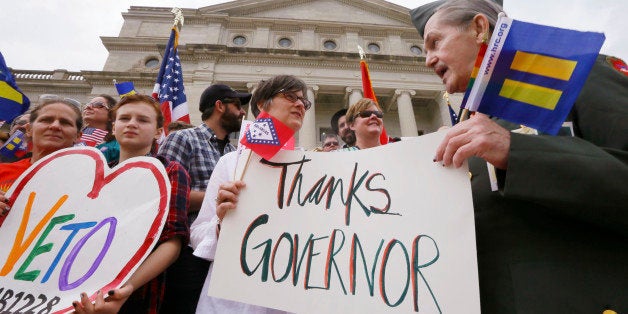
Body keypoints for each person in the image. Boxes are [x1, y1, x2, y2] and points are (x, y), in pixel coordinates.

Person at [411, 0, 628, 313]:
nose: (428, 60)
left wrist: (518, 152)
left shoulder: (577, 74)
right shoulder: (469, 126)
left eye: (435, 42)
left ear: (478, 28)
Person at [190, 74, 310, 313]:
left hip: (289, 296)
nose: (300, 104)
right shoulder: (231, 163)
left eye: (303, 102)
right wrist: (222, 223)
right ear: (262, 105)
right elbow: (197, 233)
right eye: (290, 96)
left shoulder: (314, 167)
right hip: (232, 300)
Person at [72, 94, 190, 314]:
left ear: (157, 131)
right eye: (125, 118)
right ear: (114, 126)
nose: (132, 124)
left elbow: (173, 241)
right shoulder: (91, 175)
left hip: (137, 291)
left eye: (143, 120)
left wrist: (125, 288)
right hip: (79, 284)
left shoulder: (170, 171)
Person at [158, 83, 251, 313]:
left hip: (222, 252)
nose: (242, 113)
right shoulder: (183, 138)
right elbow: (165, 196)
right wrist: (215, 198)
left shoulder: (233, 154)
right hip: (187, 252)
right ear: (220, 106)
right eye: (237, 106)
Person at [0, 98, 82, 224]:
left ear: (78, 136)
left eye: (65, 123)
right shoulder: (2, 170)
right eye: (46, 120)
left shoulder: (86, 183)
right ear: (28, 129)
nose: (55, 126)